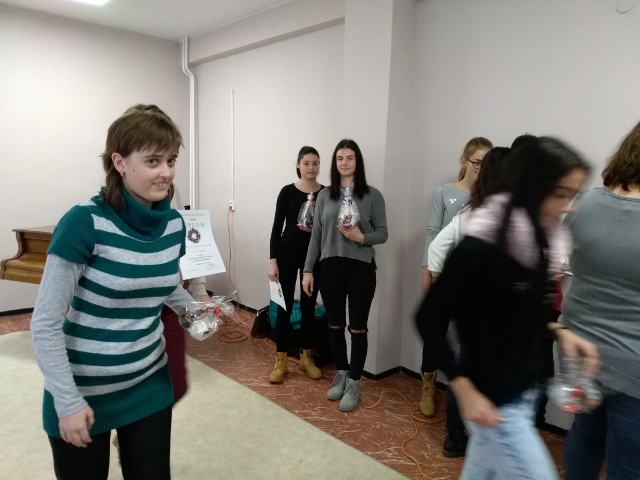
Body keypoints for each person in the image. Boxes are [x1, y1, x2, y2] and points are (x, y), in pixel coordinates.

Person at [415, 137, 599, 479]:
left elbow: (518, 313)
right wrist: (464, 390)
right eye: (561, 194)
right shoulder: (481, 247)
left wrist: (560, 332)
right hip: (493, 403)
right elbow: (428, 319)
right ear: (533, 188)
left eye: (573, 195)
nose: (569, 207)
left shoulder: (540, 242)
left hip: (523, 393)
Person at [31, 105, 196, 480]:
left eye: (171, 160)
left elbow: (162, 282)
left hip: (149, 381)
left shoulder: (173, 225)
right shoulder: (84, 222)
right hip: (83, 390)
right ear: (120, 162)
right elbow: (45, 323)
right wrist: (67, 402)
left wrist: (194, 311)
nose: (166, 172)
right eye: (152, 161)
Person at [563, 120, 640, 480]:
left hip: (579, 349)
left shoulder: (586, 203)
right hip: (634, 363)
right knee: (629, 460)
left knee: (585, 434)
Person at [302, 139, 388, 412]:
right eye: (340, 158)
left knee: (358, 327)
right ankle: (341, 374)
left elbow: (383, 233)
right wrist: (308, 269)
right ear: (334, 162)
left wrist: (362, 237)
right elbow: (316, 236)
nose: (344, 162)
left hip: (361, 268)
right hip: (330, 267)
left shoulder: (372, 195)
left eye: (350, 157)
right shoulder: (325, 196)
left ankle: (354, 382)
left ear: (357, 161)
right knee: (334, 325)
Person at [419, 136, 493, 424]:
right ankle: (428, 387)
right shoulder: (445, 193)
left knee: (467, 339)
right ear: (464, 161)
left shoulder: (489, 196)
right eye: (476, 162)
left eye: (486, 163)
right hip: (442, 273)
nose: (480, 168)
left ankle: (461, 395)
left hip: (475, 282)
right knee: (435, 331)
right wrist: (426, 269)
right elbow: (432, 232)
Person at [267, 146, 325, 383]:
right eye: (307, 163)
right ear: (298, 165)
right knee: (285, 306)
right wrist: (272, 260)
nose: (311, 167)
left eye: (315, 163)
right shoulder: (287, 192)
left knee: (310, 306)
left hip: (314, 256)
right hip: (287, 253)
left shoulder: (326, 193)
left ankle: (306, 357)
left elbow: (329, 228)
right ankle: (281, 360)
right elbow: (276, 227)